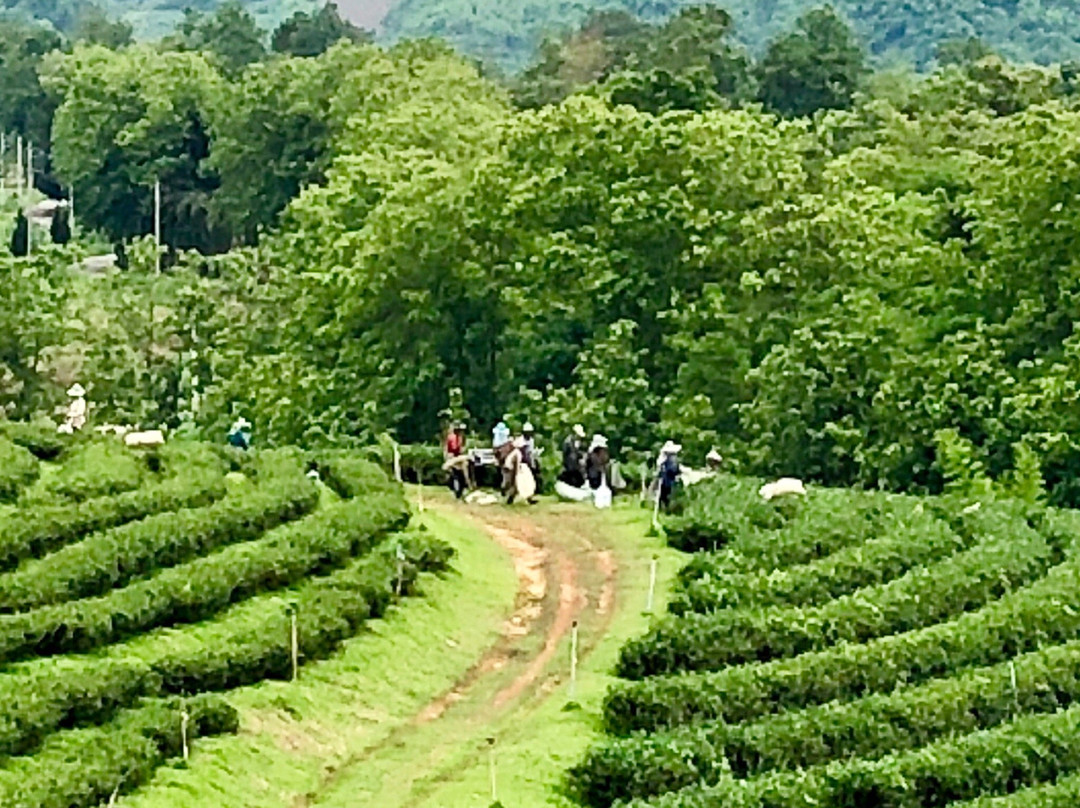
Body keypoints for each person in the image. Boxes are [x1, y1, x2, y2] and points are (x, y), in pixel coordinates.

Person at [444, 422, 471, 499]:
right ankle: (457, 491)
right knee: (456, 475)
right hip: (453, 458)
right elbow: (454, 449)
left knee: (461, 476)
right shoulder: (453, 437)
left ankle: (460, 491)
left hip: (458, 458)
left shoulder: (461, 438)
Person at [658, 440, 683, 510]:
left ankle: (666, 507)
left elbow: (674, 468)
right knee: (665, 493)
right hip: (667, 477)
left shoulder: (672, 458)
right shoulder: (668, 458)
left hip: (669, 477)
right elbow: (672, 468)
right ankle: (664, 507)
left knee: (666, 493)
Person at [521, 422, 541, 503]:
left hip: (530, 463)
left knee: (530, 482)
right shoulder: (521, 441)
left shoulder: (531, 441)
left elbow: (531, 453)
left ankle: (530, 498)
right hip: (523, 464)